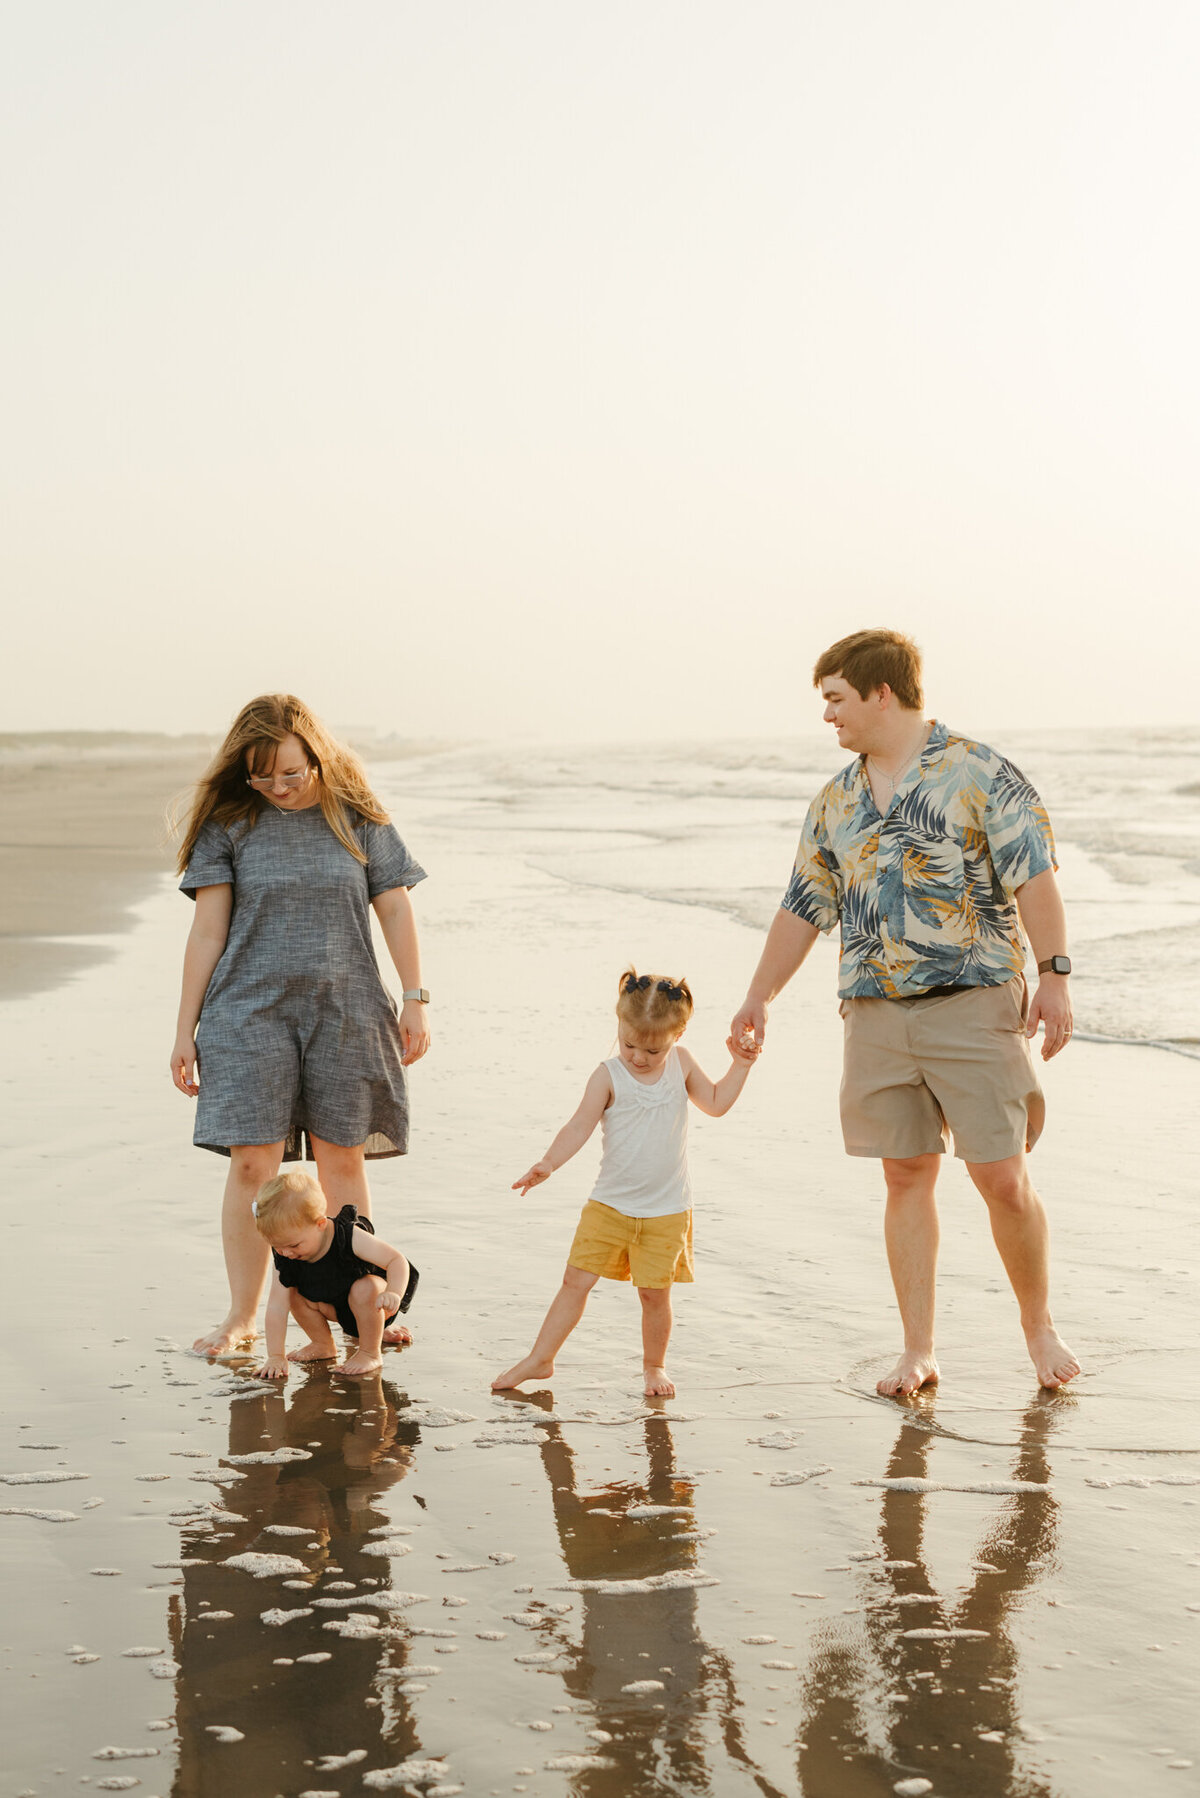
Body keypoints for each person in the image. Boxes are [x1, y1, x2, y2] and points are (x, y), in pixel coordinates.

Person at [730, 629, 1081, 1396]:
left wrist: (1054, 977)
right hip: (873, 1012)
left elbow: (1036, 880)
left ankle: (1038, 1327)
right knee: (904, 1175)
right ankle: (918, 1349)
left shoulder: (979, 772)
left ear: (880, 692)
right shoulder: (836, 801)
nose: (828, 716)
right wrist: (759, 994)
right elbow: (802, 908)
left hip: (973, 1003)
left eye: (835, 699)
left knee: (1001, 1177)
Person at [171, 693, 430, 1357]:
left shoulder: (357, 816)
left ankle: (358, 1309)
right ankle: (242, 1316)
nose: (280, 788)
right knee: (253, 1163)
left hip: (346, 1010)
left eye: (292, 773)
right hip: (246, 1011)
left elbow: (395, 910)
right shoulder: (230, 823)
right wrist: (182, 1031)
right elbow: (207, 930)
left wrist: (415, 996)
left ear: (316, 753)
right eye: (264, 777)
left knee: (341, 1156)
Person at [494, 969, 758, 1399]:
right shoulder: (608, 1076)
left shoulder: (683, 1064)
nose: (638, 1056)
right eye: (629, 1043)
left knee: (655, 1297)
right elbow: (578, 1125)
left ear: (678, 1034)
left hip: (667, 1210)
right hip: (609, 1205)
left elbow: (715, 1103)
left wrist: (740, 1066)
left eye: (652, 1049)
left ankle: (654, 1366)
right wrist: (548, 1163)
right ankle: (541, 1358)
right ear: (618, 1025)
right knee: (574, 1282)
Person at [248, 1170, 417, 1379]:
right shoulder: (286, 1253)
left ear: (319, 1224)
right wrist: (275, 1355)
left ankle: (369, 1352)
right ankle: (323, 1344)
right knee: (290, 1292)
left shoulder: (348, 1235)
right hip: (332, 1306)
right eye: (277, 1246)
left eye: (293, 1245)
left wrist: (394, 1293)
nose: (286, 1253)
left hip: (375, 1304)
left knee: (366, 1287)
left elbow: (396, 1260)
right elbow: (276, 1306)